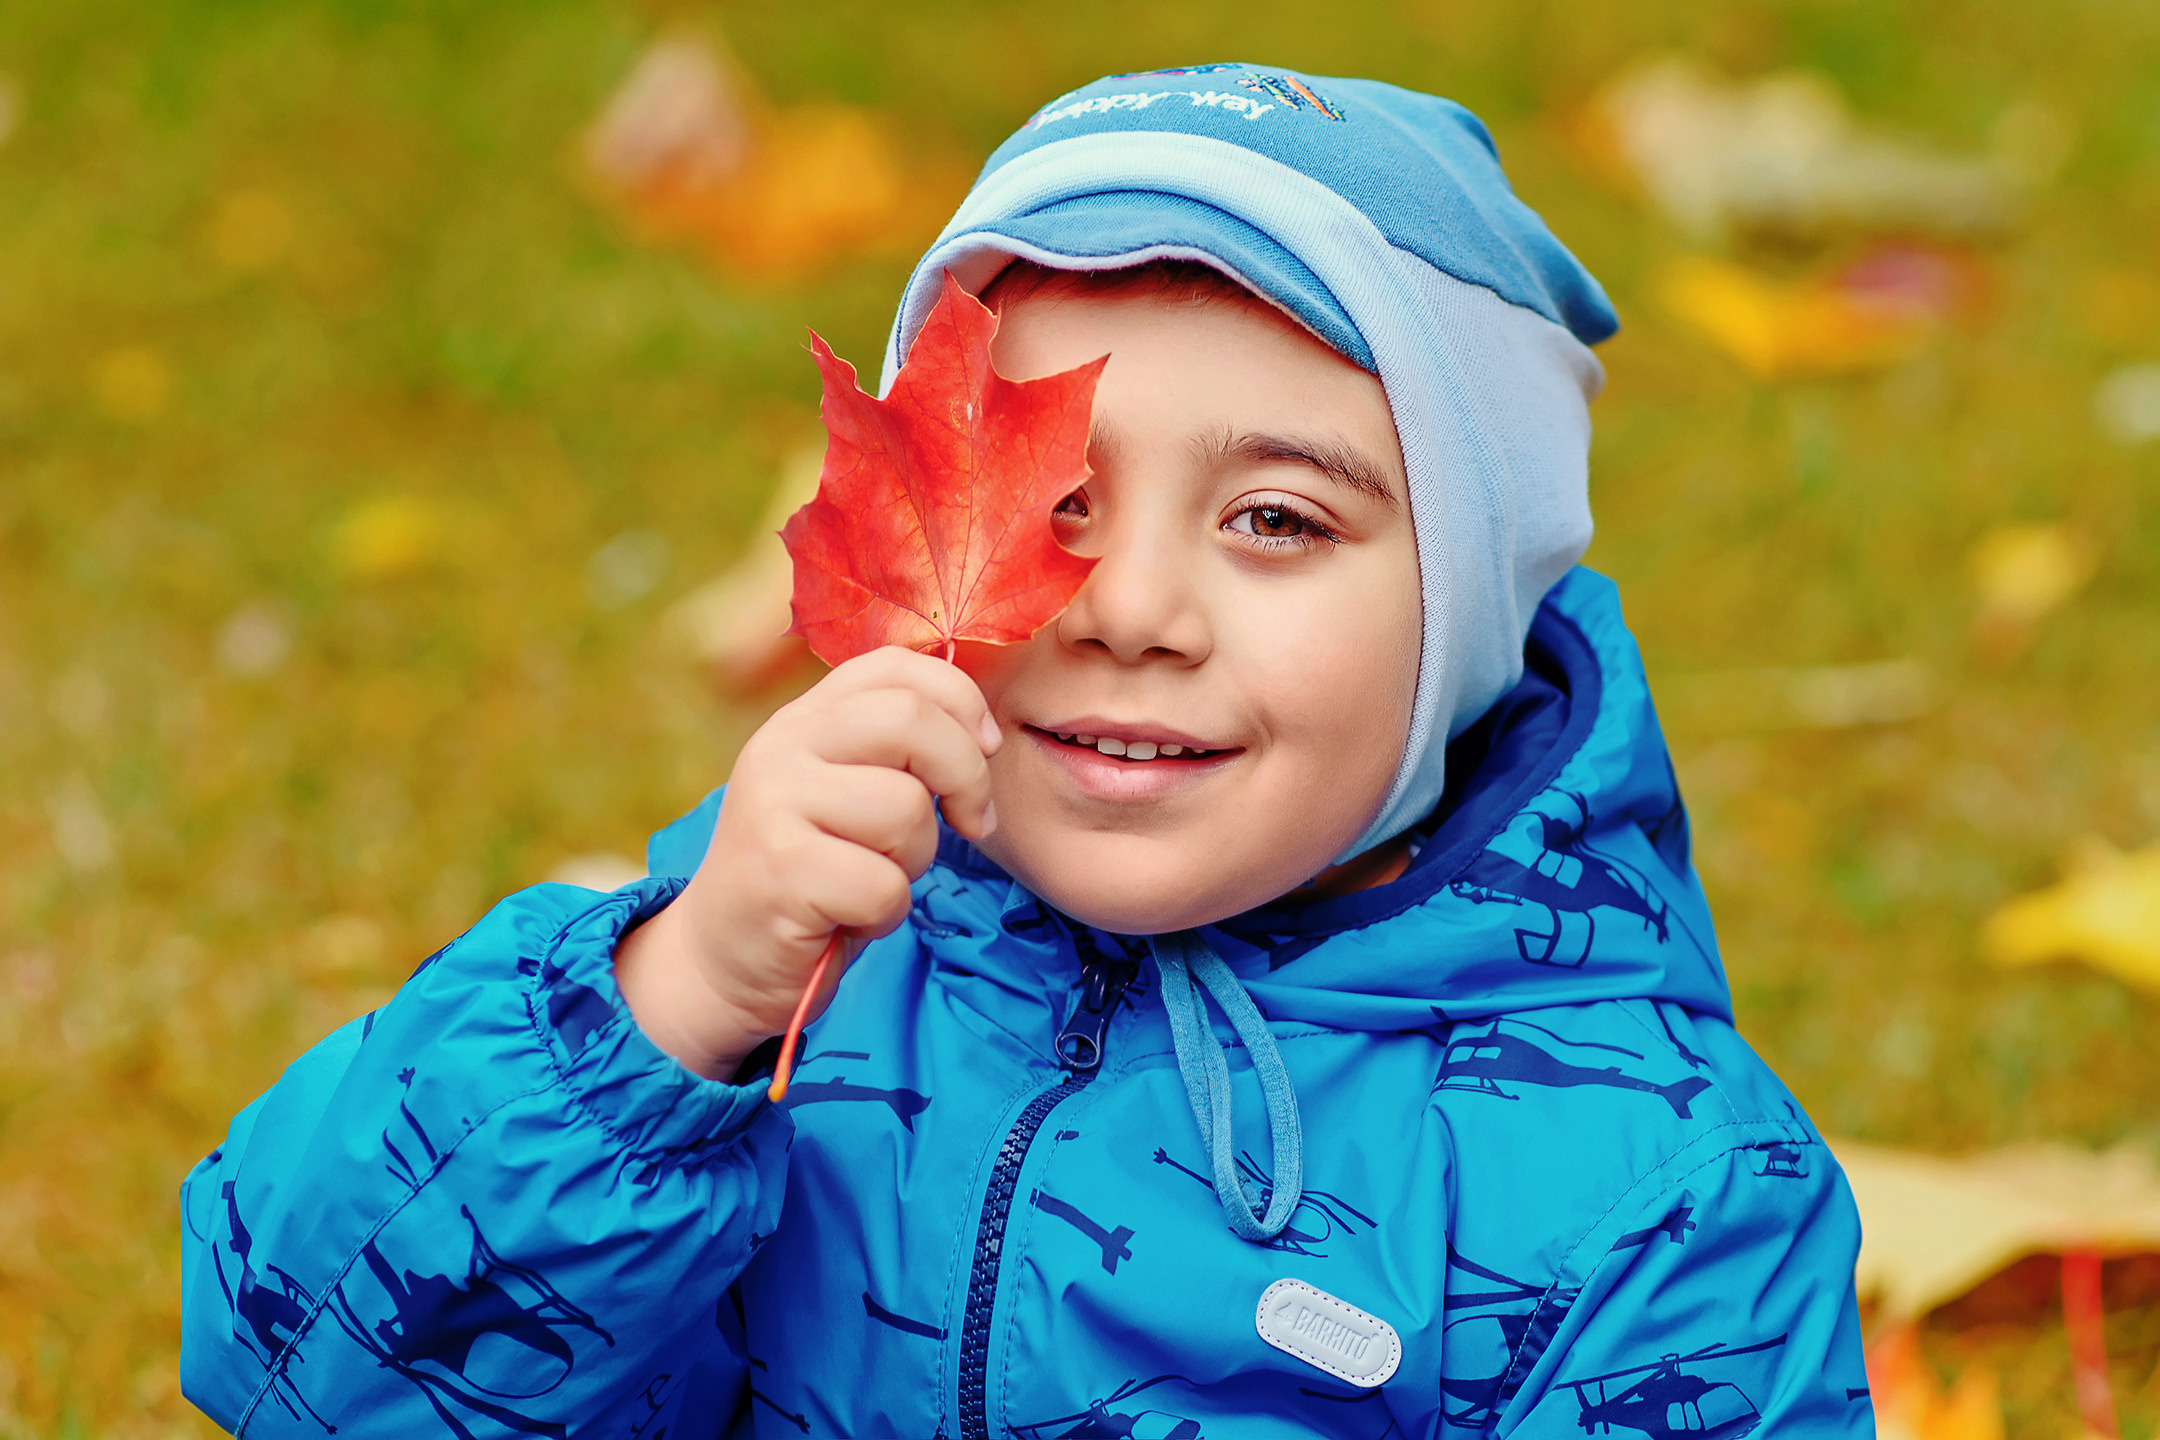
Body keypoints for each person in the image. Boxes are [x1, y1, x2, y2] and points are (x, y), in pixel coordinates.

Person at [180, 63, 1871, 1439]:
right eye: (1053, 501)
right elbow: (302, 1380)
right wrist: (669, 1010)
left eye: (1276, 520)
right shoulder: (790, 969)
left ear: (1471, 620)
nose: (1128, 607)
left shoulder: (1651, 1196)